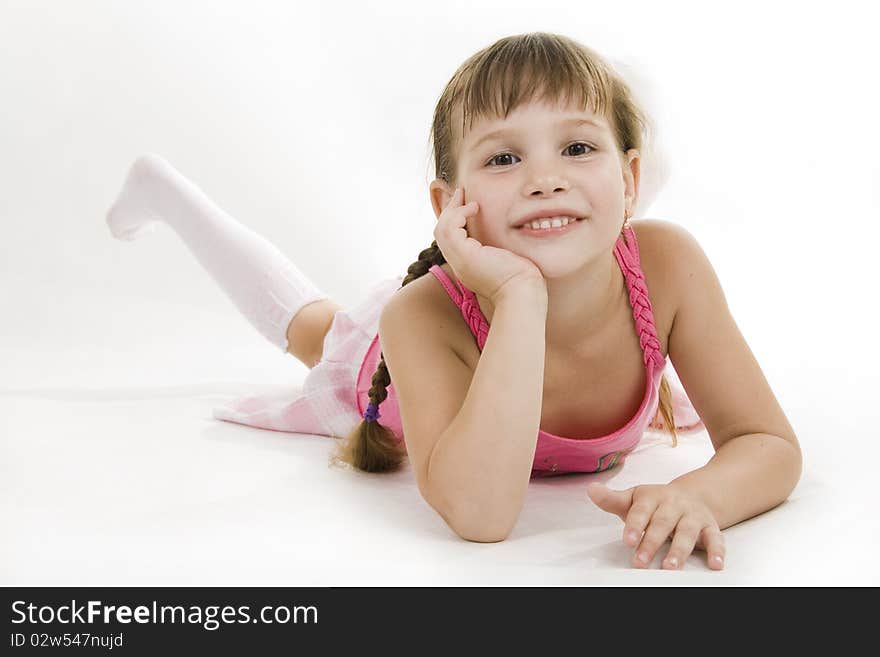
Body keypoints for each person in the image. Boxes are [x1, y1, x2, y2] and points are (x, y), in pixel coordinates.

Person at [105, 32, 802, 571]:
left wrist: (703, 493)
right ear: (449, 204)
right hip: (398, 360)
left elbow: (766, 442)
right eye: (504, 159)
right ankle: (166, 192)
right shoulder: (419, 319)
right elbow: (481, 514)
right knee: (317, 330)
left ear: (630, 176)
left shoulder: (668, 265)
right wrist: (520, 297)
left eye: (578, 147)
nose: (544, 179)